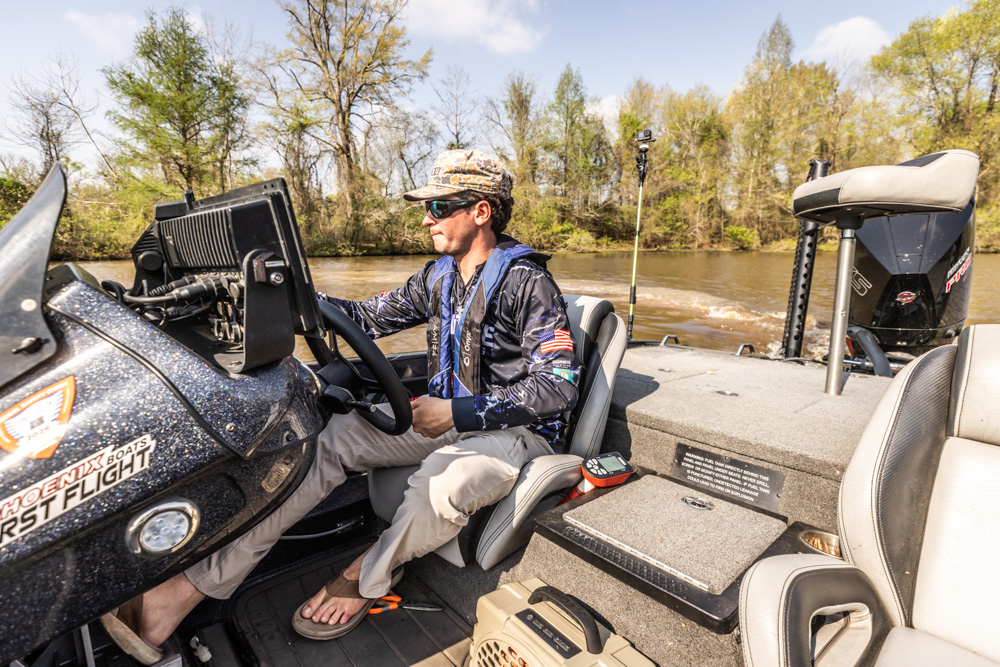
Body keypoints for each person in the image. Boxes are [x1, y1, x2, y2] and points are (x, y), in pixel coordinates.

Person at [100, 149, 580, 663]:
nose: (426, 218)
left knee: (443, 480)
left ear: (480, 211)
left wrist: (456, 414)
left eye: (439, 207)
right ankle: (188, 588)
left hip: (519, 432)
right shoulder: (439, 275)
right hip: (448, 416)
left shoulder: (528, 282)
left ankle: (364, 577)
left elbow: (558, 386)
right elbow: (364, 316)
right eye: (427, 207)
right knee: (322, 442)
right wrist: (285, 297)